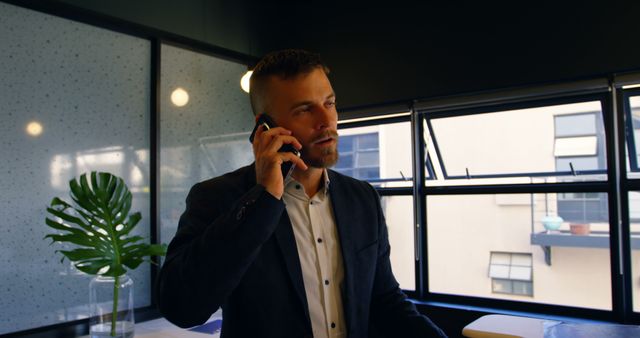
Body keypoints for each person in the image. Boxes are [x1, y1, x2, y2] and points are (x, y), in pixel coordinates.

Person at [156, 49, 447, 338]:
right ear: (265, 126)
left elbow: (384, 299)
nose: (326, 120)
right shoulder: (219, 196)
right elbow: (182, 308)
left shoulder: (362, 198)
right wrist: (264, 198)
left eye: (329, 103)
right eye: (305, 109)